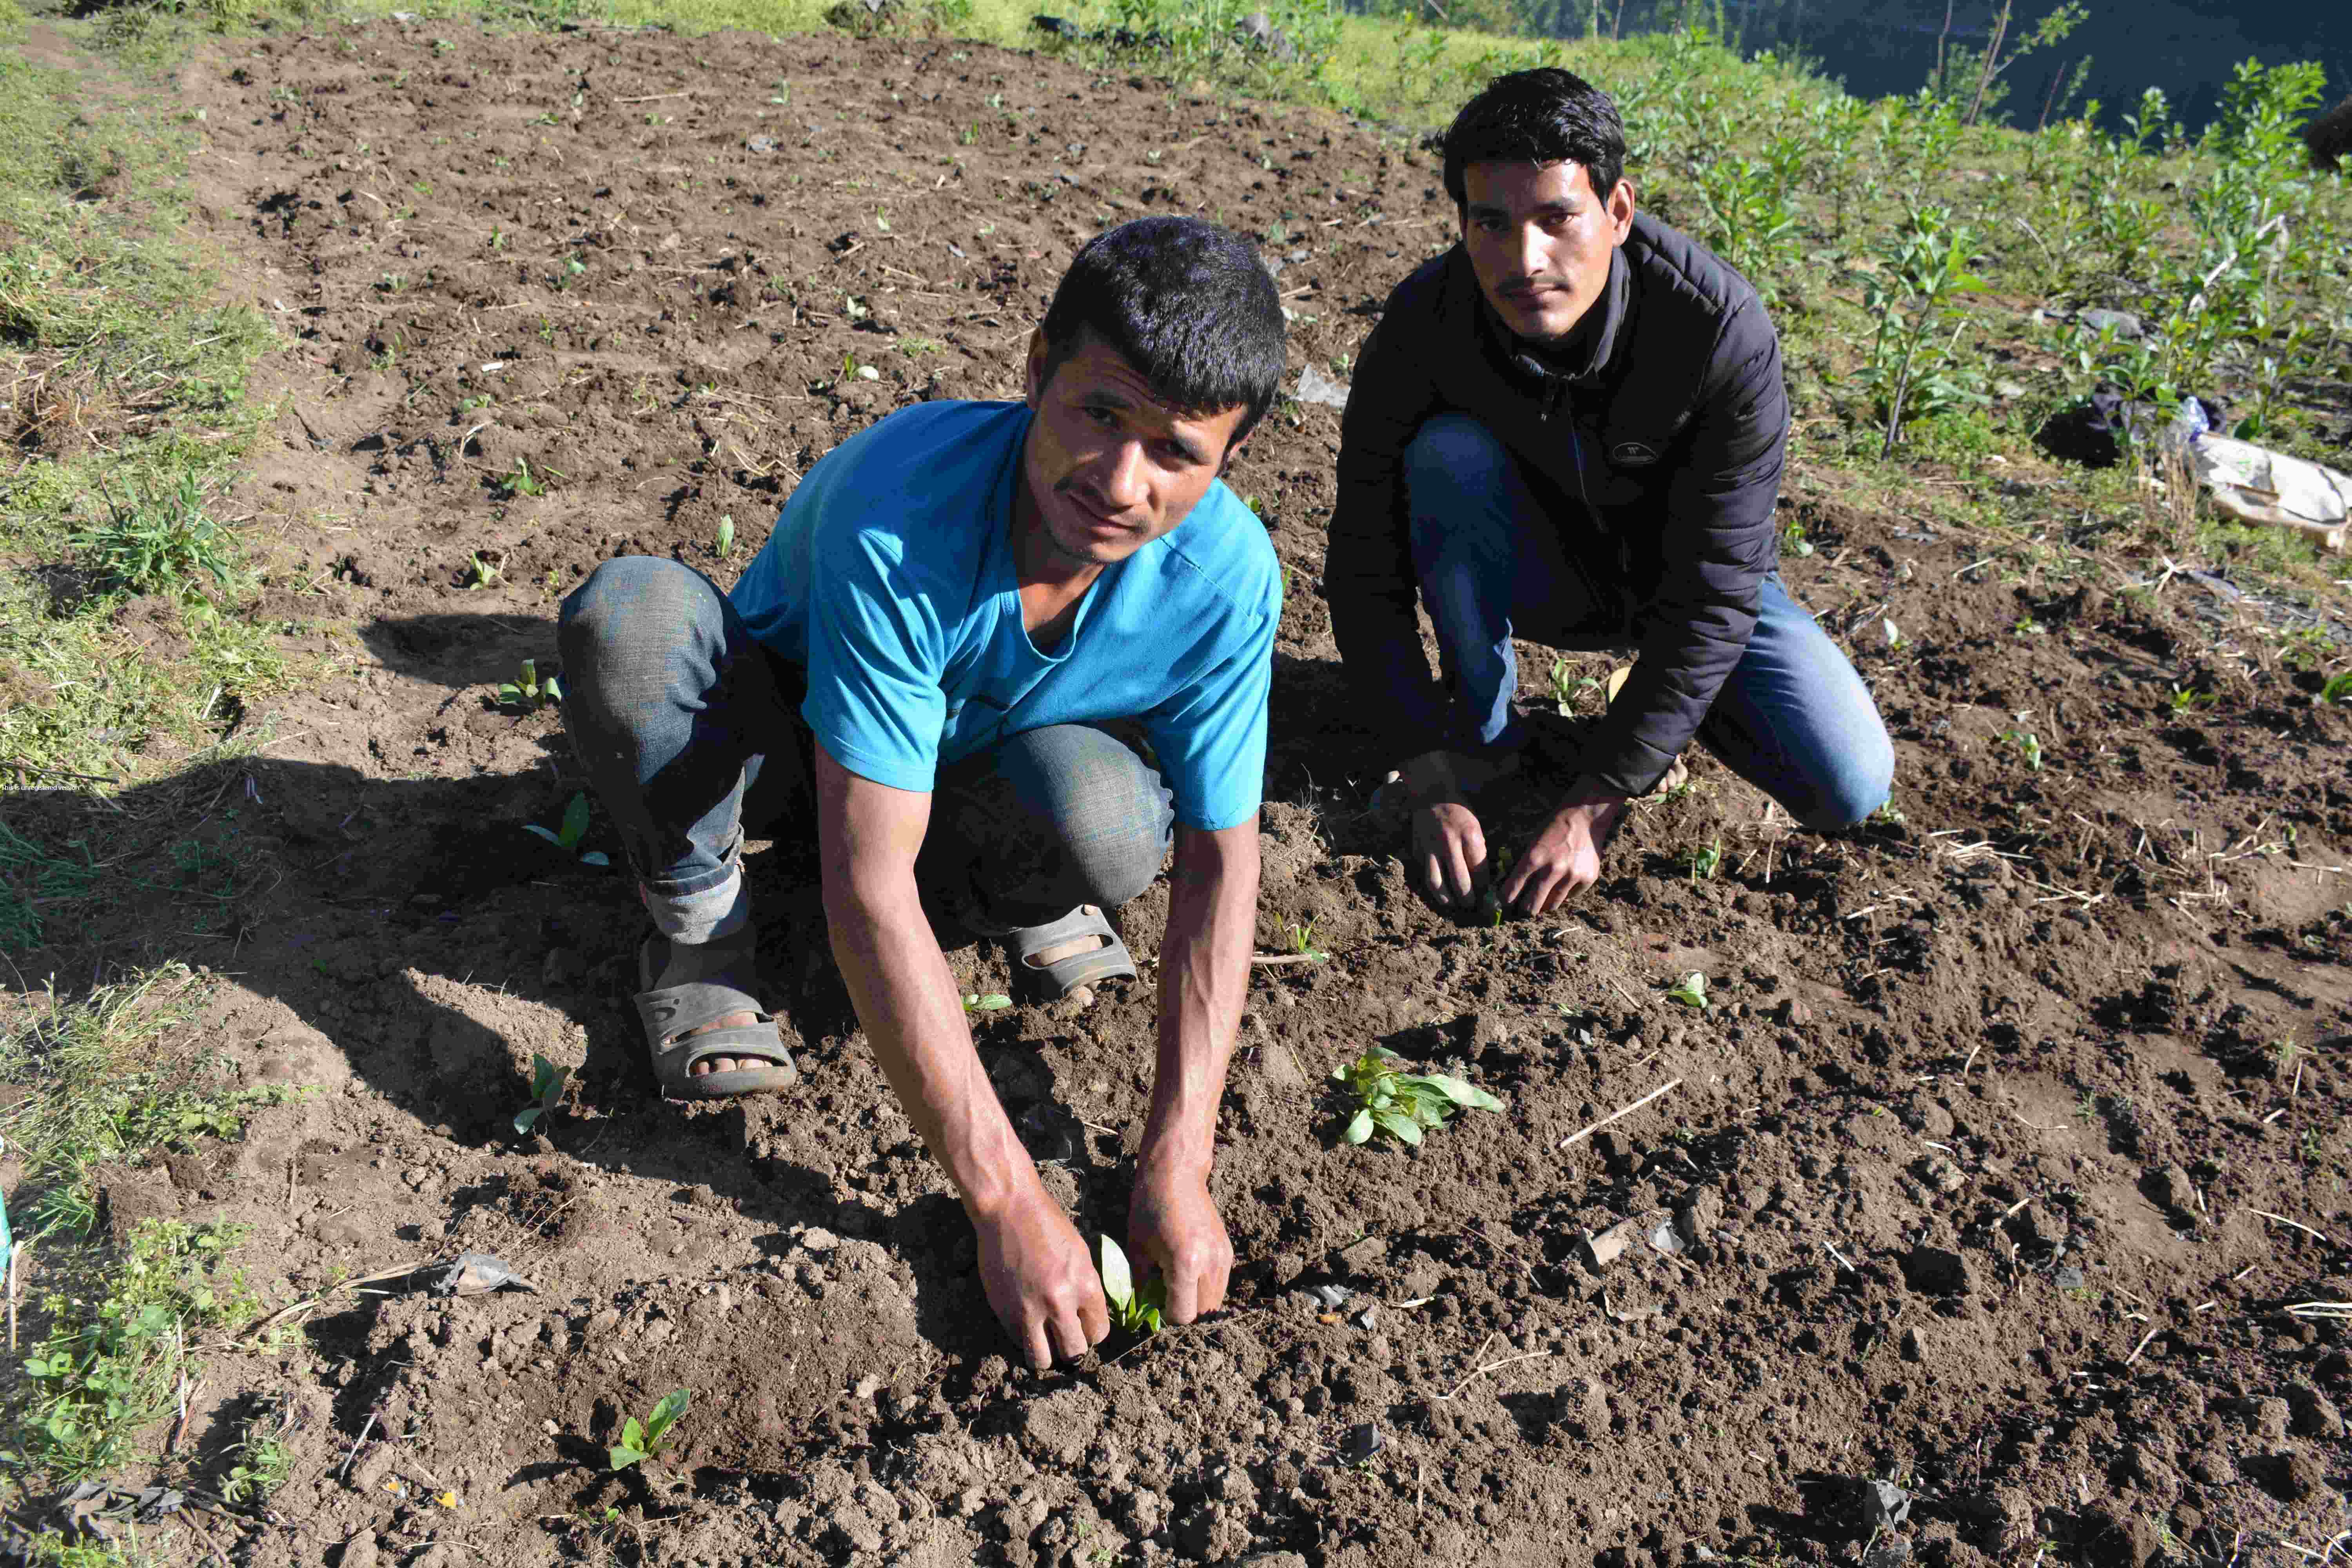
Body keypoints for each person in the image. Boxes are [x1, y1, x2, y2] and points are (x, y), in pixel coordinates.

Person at [555, 216, 1285, 1368]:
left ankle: (1006, 900)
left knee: (1110, 817)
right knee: (635, 626)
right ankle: (700, 929)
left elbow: (1221, 860)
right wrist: (1004, 1204)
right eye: (1099, 413)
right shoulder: (907, 509)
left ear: (1229, 457)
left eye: (1177, 453)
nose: (1119, 480)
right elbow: (865, 870)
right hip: (784, 763)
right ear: (1038, 369)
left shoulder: (1228, 580)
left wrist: (1177, 1163)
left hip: (948, 778)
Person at [1324, 68, 1893, 915]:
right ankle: (1483, 742)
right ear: (1464, 223)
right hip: (1533, 563)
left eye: (1558, 218)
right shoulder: (1423, 327)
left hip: (1681, 581)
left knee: (1848, 783)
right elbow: (1364, 559)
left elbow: (1716, 594)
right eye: (1493, 224)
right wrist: (1425, 763)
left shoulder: (1716, 332)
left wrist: (1600, 797)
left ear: (1618, 211)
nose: (1527, 260)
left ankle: (1652, 725)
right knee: (1447, 456)